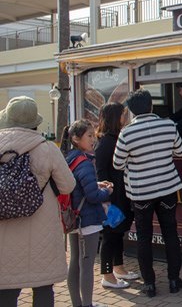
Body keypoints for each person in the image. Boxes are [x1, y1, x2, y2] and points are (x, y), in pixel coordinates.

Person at [0, 96, 76, 307]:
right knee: (43, 289)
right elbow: (68, 186)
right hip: (42, 228)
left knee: (6, 291)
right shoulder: (47, 148)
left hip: (4, 233)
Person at [113, 89, 182, 297]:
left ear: (132, 111)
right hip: (168, 187)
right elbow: (180, 151)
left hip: (141, 192)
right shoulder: (169, 125)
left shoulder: (126, 133)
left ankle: (150, 284)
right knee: (170, 232)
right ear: (151, 106)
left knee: (144, 237)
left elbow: (118, 164)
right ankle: (174, 280)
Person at [61, 119, 113, 307]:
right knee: (87, 264)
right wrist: (106, 191)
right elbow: (92, 196)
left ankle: (77, 303)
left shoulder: (69, 159)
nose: (93, 139)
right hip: (87, 220)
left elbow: (78, 187)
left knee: (75, 262)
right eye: (89, 136)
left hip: (72, 217)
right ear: (76, 138)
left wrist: (96, 185)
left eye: (93, 135)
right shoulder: (84, 162)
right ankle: (88, 304)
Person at [95, 102, 139, 289]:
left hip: (121, 193)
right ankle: (107, 274)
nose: (125, 118)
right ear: (115, 117)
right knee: (110, 236)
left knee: (118, 233)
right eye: (123, 114)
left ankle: (119, 268)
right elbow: (101, 172)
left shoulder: (116, 137)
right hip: (112, 197)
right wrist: (107, 195)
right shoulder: (106, 142)